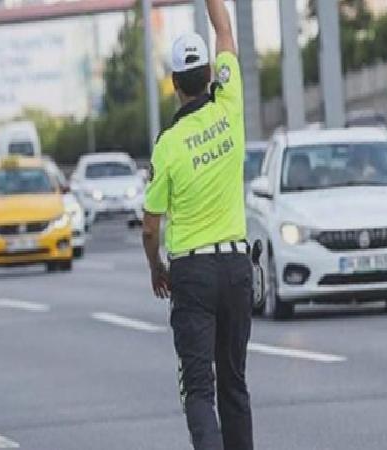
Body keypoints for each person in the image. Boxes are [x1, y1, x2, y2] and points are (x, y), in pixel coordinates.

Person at [141, 0, 253, 448]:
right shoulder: (230, 107)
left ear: (174, 84)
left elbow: (151, 227)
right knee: (234, 385)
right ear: (210, 73)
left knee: (199, 390)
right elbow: (223, 27)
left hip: (193, 275)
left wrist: (156, 268)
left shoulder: (168, 145)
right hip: (238, 267)